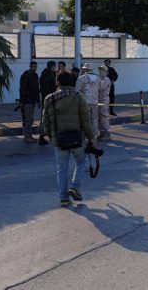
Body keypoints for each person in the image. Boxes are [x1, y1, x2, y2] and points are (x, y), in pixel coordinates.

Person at [42, 71, 98, 207]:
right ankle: (75, 187)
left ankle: (64, 198)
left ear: (57, 82)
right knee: (81, 162)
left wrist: (51, 137)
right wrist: (92, 138)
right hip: (77, 139)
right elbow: (86, 121)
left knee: (62, 169)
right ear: (71, 82)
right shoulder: (79, 97)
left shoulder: (50, 99)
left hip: (59, 140)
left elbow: (46, 122)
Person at [75, 63, 101, 140]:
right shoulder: (98, 78)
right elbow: (100, 89)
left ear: (85, 69)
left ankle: (84, 136)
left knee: (85, 119)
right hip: (95, 101)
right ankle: (94, 136)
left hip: (85, 102)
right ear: (92, 69)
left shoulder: (82, 78)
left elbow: (77, 90)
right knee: (94, 119)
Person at [19, 61, 41, 143]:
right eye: (33, 66)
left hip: (32, 101)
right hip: (27, 101)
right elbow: (22, 89)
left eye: (35, 66)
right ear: (30, 66)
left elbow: (37, 89)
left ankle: (29, 135)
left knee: (30, 119)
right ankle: (27, 136)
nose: (34, 68)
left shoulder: (35, 75)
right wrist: (22, 101)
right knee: (28, 119)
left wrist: (38, 101)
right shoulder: (26, 75)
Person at [38, 60, 57, 146]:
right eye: (54, 67)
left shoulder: (44, 74)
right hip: (49, 100)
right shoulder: (50, 75)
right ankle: (43, 137)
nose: (55, 68)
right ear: (52, 67)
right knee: (48, 119)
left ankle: (44, 136)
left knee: (46, 118)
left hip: (46, 99)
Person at [97, 65, 112, 140]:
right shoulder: (100, 79)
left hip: (103, 100)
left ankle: (107, 133)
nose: (100, 72)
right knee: (100, 117)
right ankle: (102, 133)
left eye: (102, 70)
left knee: (104, 116)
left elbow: (101, 88)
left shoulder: (106, 79)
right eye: (100, 70)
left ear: (105, 72)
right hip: (99, 100)